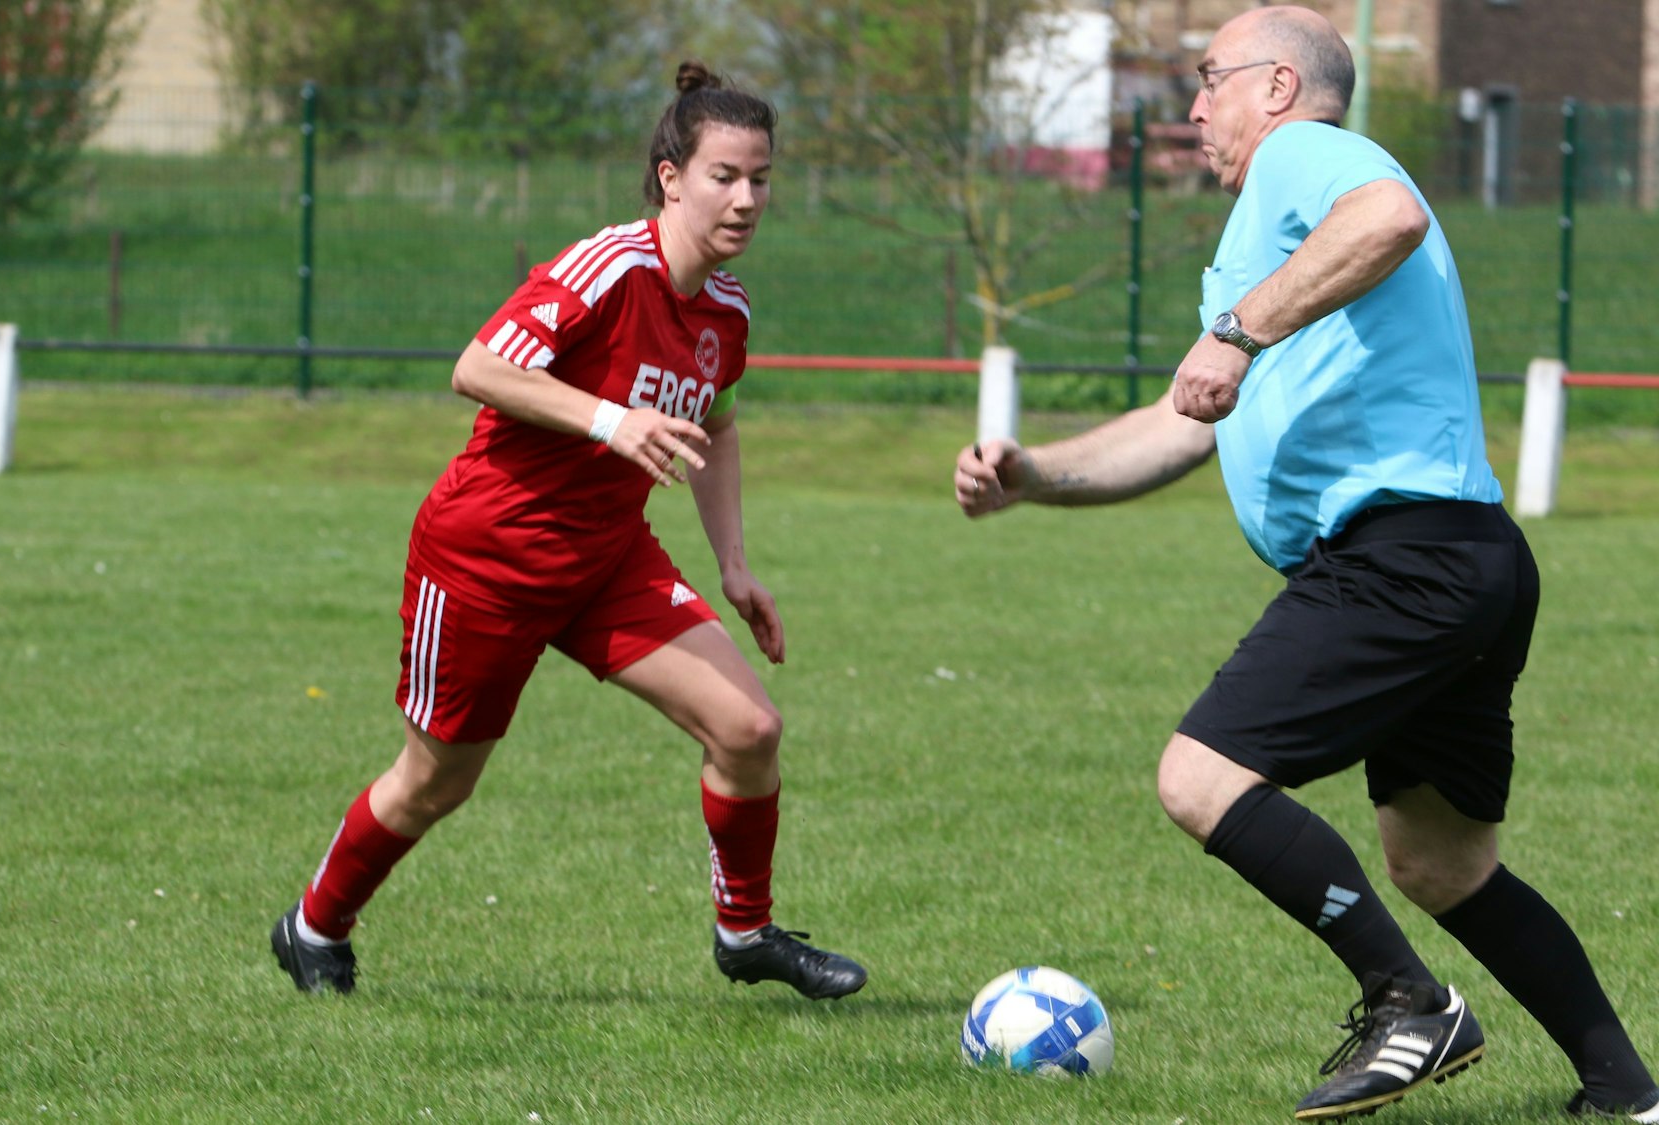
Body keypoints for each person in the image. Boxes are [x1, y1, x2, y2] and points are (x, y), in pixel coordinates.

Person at [954, 7, 1658, 1122]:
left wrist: (1234, 331)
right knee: (1440, 865)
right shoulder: (1272, 242)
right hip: (1462, 559)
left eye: (1205, 79)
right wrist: (1034, 474)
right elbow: (1187, 423)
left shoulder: (1303, 161)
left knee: (1199, 777)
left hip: (1400, 555)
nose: (1190, 109)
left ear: (1277, 87)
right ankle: (1624, 1092)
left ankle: (1408, 1004)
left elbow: (1389, 214)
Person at [268, 61, 865, 1002]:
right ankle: (313, 925)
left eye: (761, 178)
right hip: (487, 556)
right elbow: (477, 366)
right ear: (672, 177)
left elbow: (718, 423)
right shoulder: (608, 268)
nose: (747, 198)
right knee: (437, 781)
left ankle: (744, 932)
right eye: (724, 176)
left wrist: (737, 565)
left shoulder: (728, 309)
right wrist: (610, 419)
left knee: (749, 728)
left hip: (606, 556)